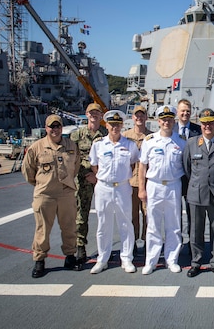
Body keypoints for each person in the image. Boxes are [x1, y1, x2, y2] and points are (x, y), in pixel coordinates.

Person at [21, 114, 80, 278]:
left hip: (66, 193)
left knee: (69, 227)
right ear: (46, 129)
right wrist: (42, 184)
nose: (55, 130)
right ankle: (39, 260)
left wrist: (66, 181)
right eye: (51, 127)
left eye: (57, 126)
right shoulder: (36, 148)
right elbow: (28, 171)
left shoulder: (71, 145)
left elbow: (75, 165)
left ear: (61, 127)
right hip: (45, 194)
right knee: (42, 229)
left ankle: (70, 257)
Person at [183, 108, 214, 278]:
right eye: (204, 123)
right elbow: (187, 168)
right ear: (201, 125)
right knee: (196, 230)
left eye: (211, 123)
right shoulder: (191, 143)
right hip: (197, 193)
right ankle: (196, 262)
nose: (207, 126)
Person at [89, 110, 139, 274]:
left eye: (118, 124)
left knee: (126, 223)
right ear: (107, 125)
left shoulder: (130, 145)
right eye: (112, 124)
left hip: (123, 187)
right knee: (103, 224)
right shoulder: (98, 145)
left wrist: (121, 177)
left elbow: (132, 164)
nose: (115, 127)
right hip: (103, 187)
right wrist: (104, 178)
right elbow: (94, 165)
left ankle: (126, 258)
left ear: (122, 125)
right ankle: (102, 259)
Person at [138, 106, 186, 275]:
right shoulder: (149, 141)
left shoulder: (181, 141)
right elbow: (142, 167)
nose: (167, 122)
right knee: (153, 225)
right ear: (158, 121)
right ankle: (150, 261)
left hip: (173, 185)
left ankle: (171, 259)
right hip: (154, 185)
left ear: (174, 121)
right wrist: (141, 189)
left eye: (170, 119)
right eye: (163, 119)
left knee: (174, 225)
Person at [70, 102, 108, 269]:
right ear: (86, 114)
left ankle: (104, 247)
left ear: (101, 116)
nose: (94, 115)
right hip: (84, 179)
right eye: (91, 113)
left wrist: (99, 175)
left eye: (97, 113)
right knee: (81, 214)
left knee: (105, 214)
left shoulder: (106, 134)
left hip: (103, 180)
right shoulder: (77, 135)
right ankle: (80, 247)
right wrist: (87, 174)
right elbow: (72, 158)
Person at [122, 105, 152, 256]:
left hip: (148, 182)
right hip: (130, 182)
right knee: (132, 214)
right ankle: (132, 241)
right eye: (136, 115)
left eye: (142, 115)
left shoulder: (152, 137)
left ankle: (148, 241)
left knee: (148, 214)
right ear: (132, 117)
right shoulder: (125, 137)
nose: (139, 118)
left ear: (146, 117)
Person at [173, 99, 201, 256]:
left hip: (192, 180)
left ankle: (192, 244)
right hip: (176, 179)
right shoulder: (171, 129)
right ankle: (176, 244)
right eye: (182, 110)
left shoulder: (198, 130)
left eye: (188, 111)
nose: (185, 113)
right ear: (177, 112)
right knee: (175, 214)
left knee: (193, 215)